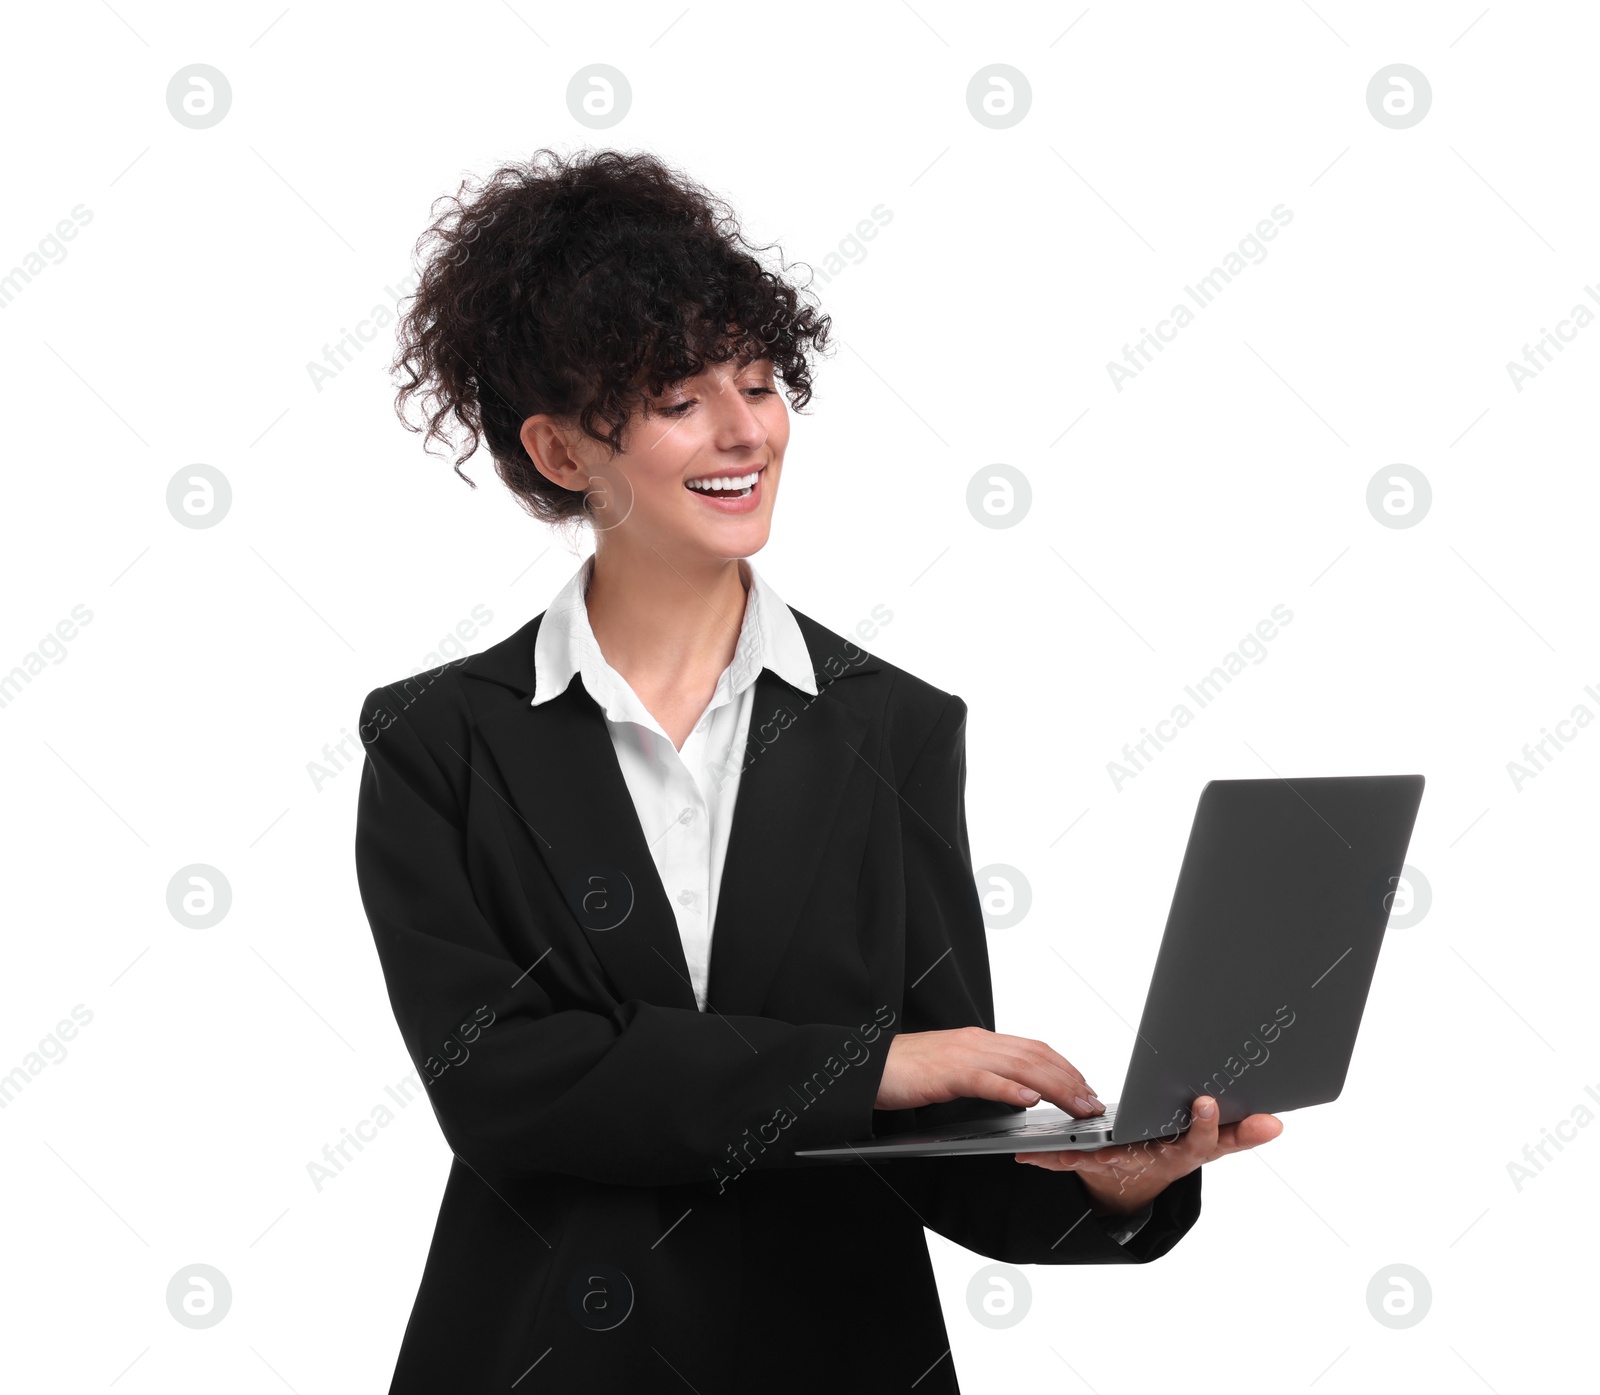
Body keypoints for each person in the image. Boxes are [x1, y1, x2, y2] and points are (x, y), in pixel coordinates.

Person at [354, 147, 1283, 1394]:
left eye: (758, 382)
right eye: (680, 400)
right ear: (564, 452)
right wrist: (871, 1065)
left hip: (841, 1357)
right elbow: (506, 1086)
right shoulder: (440, 744)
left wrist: (1106, 1188)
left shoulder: (894, 729)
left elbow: (931, 1125)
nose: (747, 431)